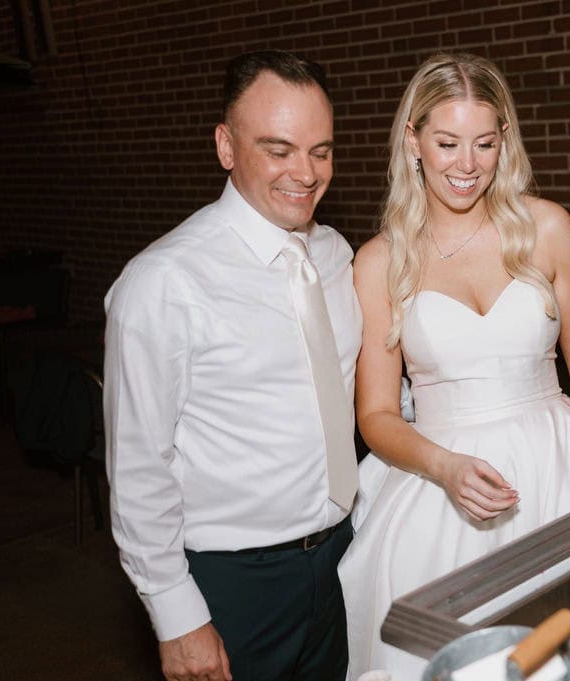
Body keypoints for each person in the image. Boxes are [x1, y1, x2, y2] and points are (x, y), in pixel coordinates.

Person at [337, 53, 570, 679]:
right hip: (442, 481)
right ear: (413, 142)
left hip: (558, 468)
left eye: (484, 144)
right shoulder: (379, 261)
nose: (466, 166)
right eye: (446, 143)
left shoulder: (547, 227)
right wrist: (443, 467)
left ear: (505, 141)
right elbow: (377, 414)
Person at [104, 50, 361, 681]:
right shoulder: (164, 282)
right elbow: (140, 465)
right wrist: (176, 614)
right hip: (234, 584)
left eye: (321, 150)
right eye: (278, 149)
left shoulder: (335, 254)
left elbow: (350, 396)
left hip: (343, 559)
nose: (305, 172)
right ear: (226, 146)